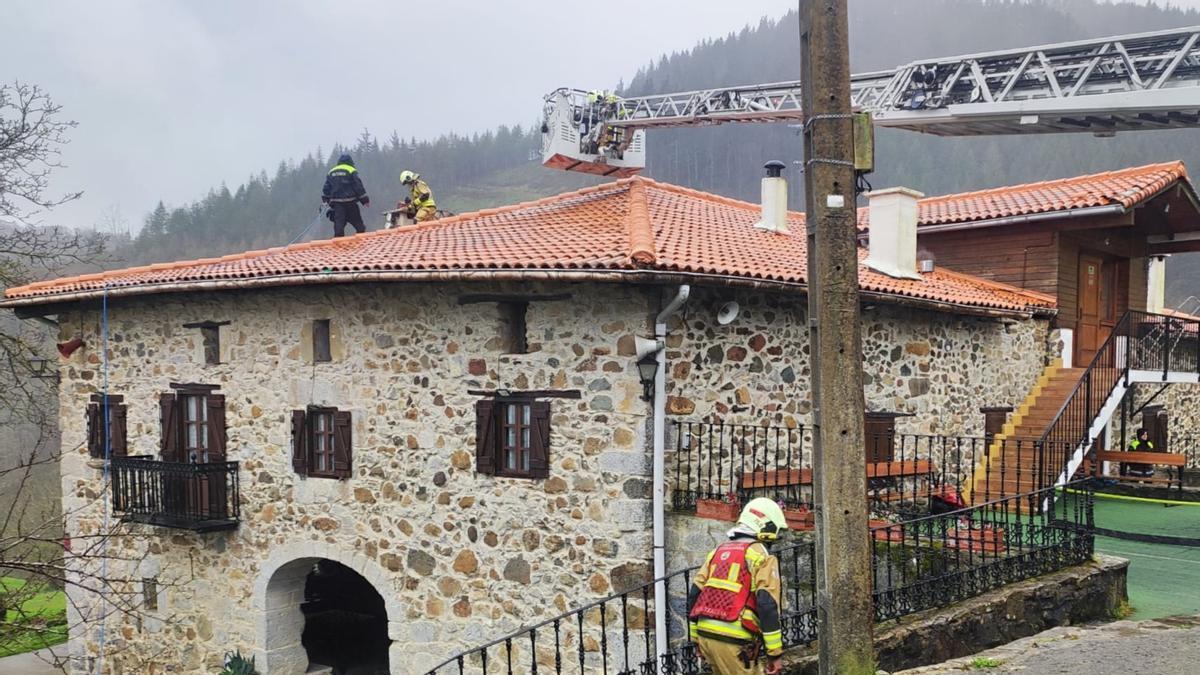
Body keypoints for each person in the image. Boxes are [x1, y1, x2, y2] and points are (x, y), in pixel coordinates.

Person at [688, 497, 787, 675]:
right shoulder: (762, 557)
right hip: (735, 639)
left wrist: (695, 638)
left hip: (706, 636)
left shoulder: (717, 552)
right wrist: (775, 654)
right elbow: (767, 604)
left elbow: (695, 594)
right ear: (767, 529)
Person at [322, 154, 370, 237]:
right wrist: (365, 200)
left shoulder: (331, 172)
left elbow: (326, 189)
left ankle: (338, 247)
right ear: (350, 162)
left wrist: (326, 201)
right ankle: (362, 244)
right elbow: (358, 186)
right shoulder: (351, 170)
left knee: (339, 229)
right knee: (359, 227)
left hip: (337, 205)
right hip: (351, 203)